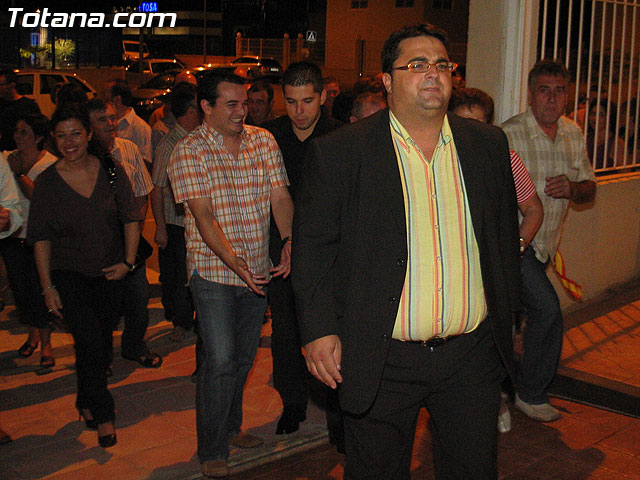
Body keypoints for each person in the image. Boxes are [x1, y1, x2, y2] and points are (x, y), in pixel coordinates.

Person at [293, 23, 521, 479]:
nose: (432, 73)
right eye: (416, 64)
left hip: (471, 356)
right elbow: (313, 250)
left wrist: (508, 316)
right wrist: (318, 330)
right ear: (387, 79)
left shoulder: (487, 145)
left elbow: (501, 239)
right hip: (381, 356)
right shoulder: (341, 152)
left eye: (441, 64)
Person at [167, 70, 293, 478]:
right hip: (213, 273)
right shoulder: (188, 151)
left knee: (242, 359)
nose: (243, 111)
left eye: (246, 103)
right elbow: (202, 215)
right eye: (232, 104)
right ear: (206, 107)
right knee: (219, 360)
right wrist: (231, 259)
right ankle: (212, 447)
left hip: (257, 269)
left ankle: (232, 426)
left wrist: (289, 239)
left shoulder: (263, 141)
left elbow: (280, 196)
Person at [28, 104, 142, 448]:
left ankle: (85, 398)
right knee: (89, 340)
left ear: (89, 134)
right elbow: (40, 238)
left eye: (76, 133)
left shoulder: (110, 170)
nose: (69, 142)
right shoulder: (47, 182)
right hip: (69, 274)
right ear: (53, 139)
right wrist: (47, 287)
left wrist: (128, 262)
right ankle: (104, 414)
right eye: (61, 136)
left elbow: (131, 217)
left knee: (100, 344)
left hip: (109, 272)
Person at [502, 59, 596, 423]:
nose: (552, 99)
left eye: (559, 91)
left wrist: (572, 188)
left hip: (544, 249)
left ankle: (502, 388)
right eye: (545, 90)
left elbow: (589, 189)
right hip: (515, 245)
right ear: (531, 94)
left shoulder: (573, 133)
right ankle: (530, 394)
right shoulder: (510, 134)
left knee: (513, 320)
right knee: (547, 311)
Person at [449, 87, 544, 433]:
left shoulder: (506, 158)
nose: (471, 131)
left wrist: (514, 247)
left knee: (494, 343)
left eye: (479, 123)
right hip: (454, 272)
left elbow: (533, 209)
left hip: (494, 274)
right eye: (463, 122)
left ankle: (496, 401)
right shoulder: (439, 161)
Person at [263, 61, 345, 441]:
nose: (299, 111)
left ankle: (339, 420)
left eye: (307, 101)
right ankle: (292, 405)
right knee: (285, 334)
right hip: (281, 251)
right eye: (291, 101)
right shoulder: (270, 136)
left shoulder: (341, 137)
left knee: (332, 333)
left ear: (323, 96)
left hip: (328, 255)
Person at [85, 98, 161, 369]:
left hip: (129, 240)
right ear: (89, 127)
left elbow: (142, 190)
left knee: (139, 298)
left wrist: (135, 228)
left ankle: (134, 346)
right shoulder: (84, 158)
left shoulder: (128, 148)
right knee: (103, 306)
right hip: (99, 244)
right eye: (102, 119)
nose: (110, 124)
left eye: (112, 117)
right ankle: (102, 357)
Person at [1, 114, 57, 368]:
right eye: (16, 131)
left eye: (24, 132)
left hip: (39, 239)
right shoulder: (7, 158)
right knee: (22, 291)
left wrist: (19, 173)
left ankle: (46, 343)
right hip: (13, 237)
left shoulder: (49, 164)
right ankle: (32, 335)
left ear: (38, 137)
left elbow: (39, 198)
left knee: (40, 289)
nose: (18, 136)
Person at [151, 83, 200, 341]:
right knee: (178, 277)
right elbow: (157, 189)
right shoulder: (169, 145)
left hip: (197, 223)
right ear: (190, 111)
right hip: (175, 224)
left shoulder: (199, 140)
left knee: (195, 275)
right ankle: (181, 322)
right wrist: (160, 228)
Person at [105, 80, 152, 165]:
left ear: (117, 99)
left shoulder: (140, 127)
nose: (103, 99)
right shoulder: (108, 124)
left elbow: (145, 160)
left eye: (105, 95)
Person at [0, 69, 41, 152]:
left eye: (1, 85)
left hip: (21, 152)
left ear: (12, 85)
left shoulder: (28, 106)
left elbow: (38, 130)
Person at [585, 97, 625, 170]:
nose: (595, 118)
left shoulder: (616, 143)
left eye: (601, 115)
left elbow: (624, 171)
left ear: (610, 117)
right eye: (593, 114)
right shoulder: (586, 139)